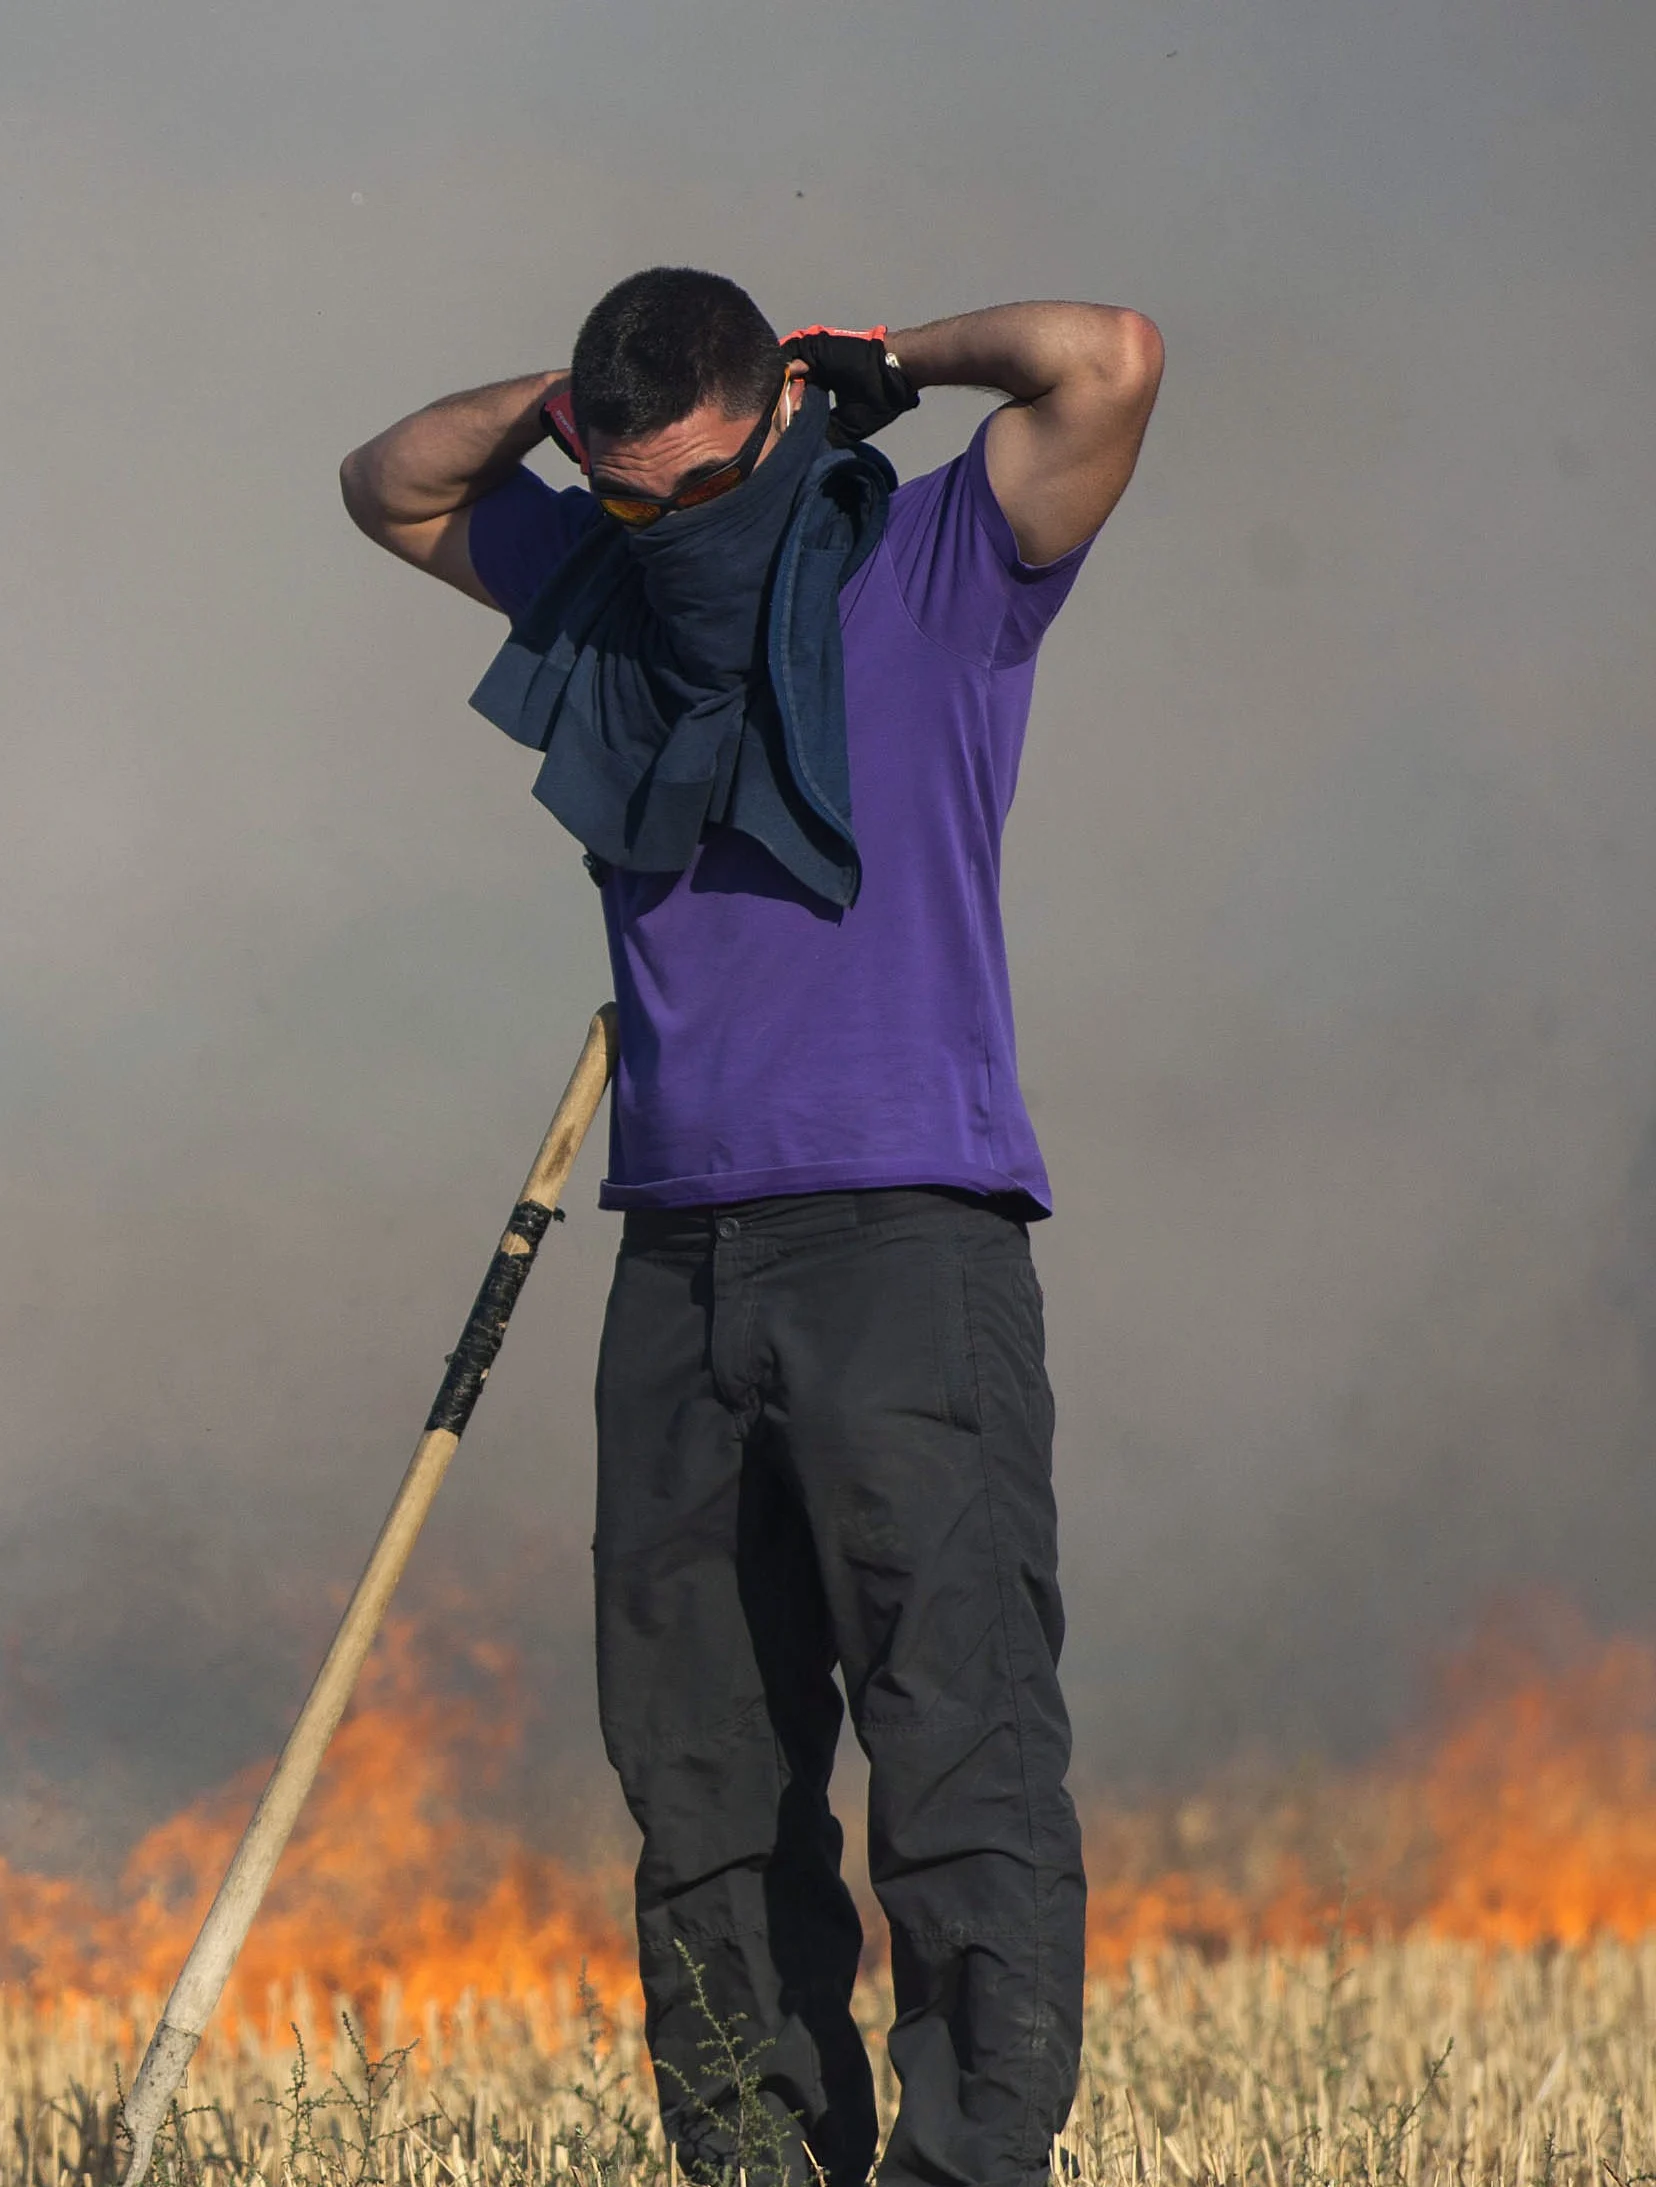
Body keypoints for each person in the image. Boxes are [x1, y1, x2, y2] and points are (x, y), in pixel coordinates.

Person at [339, 272, 1164, 2187]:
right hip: (678, 1261)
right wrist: (562, 409)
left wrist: (892, 361)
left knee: (959, 1760)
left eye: (707, 485)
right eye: (636, 500)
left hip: (908, 1244)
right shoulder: (609, 599)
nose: (674, 535)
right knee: (702, 1783)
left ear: (781, 421)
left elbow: (1106, 357)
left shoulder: (942, 561)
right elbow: (389, 483)